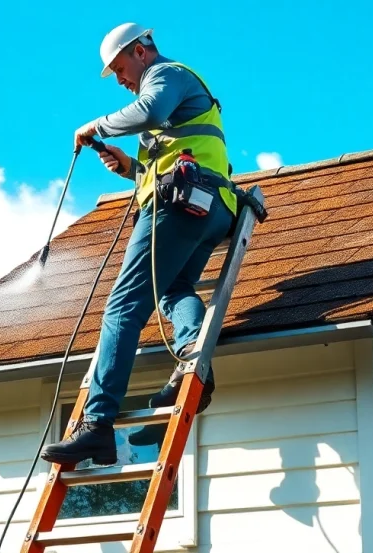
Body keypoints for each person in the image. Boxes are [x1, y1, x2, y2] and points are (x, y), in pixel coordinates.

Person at [40, 23, 238, 466]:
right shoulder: (180, 93)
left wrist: (96, 126)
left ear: (141, 51)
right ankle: (194, 362)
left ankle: (97, 425)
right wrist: (132, 167)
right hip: (210, 207)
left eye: (119, 68)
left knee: (122, 308)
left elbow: (149, 111)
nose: (120, 80)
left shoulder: (166, 74)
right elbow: (176, 150)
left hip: (178, 204)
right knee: (174, 290)